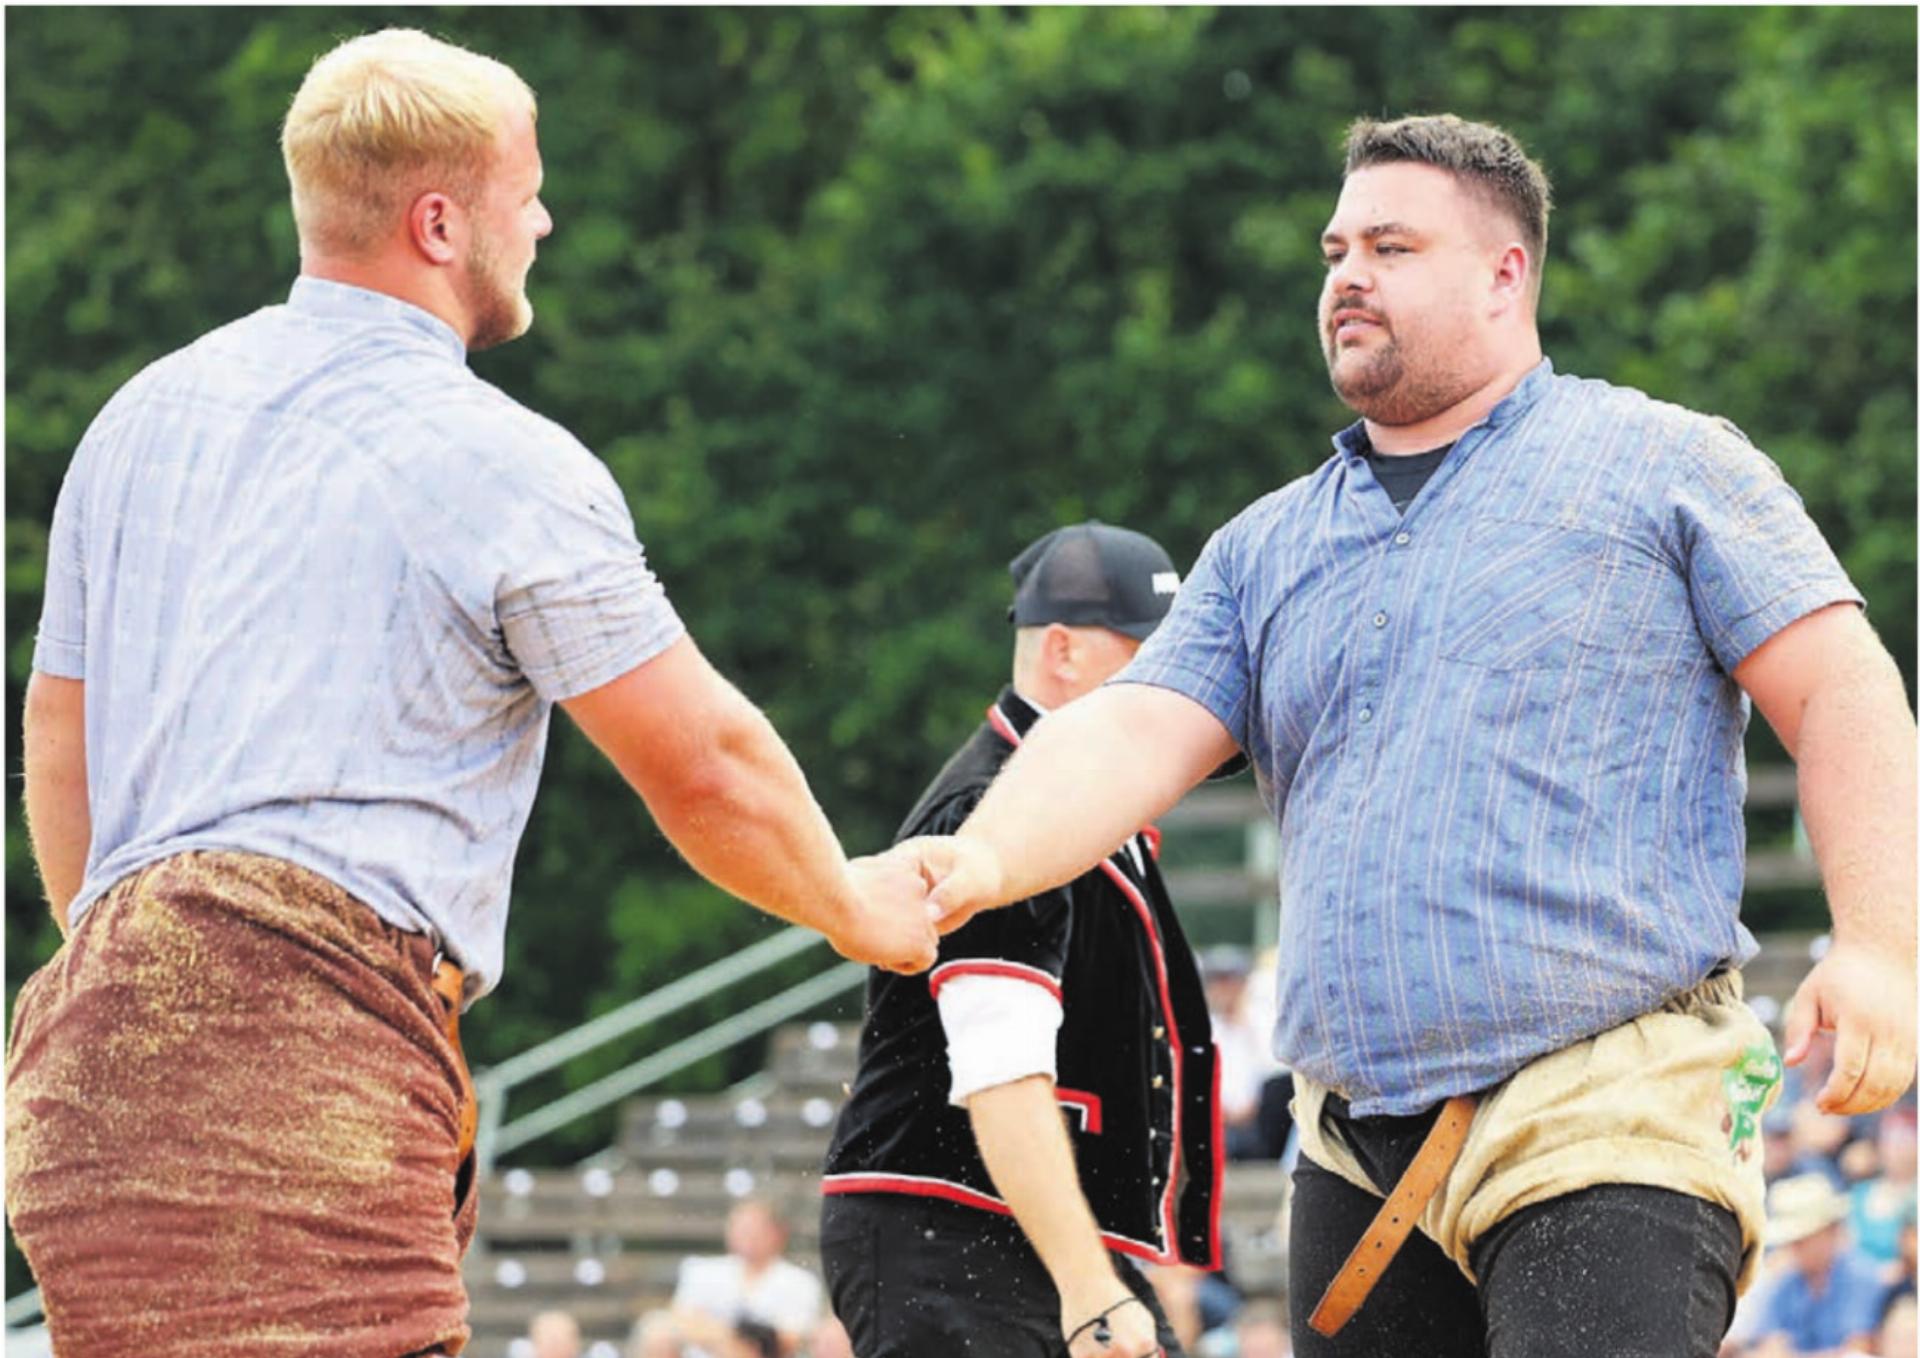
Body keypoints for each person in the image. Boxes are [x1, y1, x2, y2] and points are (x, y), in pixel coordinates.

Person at [888, 114, 1917, 1357]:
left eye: (1391, 246)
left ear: (1505, 274)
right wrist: (983, 856)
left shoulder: (1665, 463)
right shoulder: (1263, 548)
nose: (1348, 277)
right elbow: (1127, 732)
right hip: (1359, 1149)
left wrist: (1882, 944)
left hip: (1613, 1105)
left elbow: (1842, 688)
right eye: (1335, 252)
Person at [5, 28, 934, 1358]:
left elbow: (59, 734)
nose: (543, 222)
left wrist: (138, 975)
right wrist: (855, 908)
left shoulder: (141, 418)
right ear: (439, 223)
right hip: (296, 1045)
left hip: (83, 1066)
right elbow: (705, 764)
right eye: (527, 194)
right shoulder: (498, 458)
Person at [820, 522, 1221, 1358]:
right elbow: (1000, 1070)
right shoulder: (994, 812)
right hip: (954, 1233)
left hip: (1010, 1232)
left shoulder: (1076, 804)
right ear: (1063, 650)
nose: (1175, 678)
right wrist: (1090, 1289)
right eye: (1148, 650)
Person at [631, 1198, 826, 1358]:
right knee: (656, 1329)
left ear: (778, 1233)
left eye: (754, 1229)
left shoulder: (800, 1282)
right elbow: (681, 1318)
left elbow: (789, 1339)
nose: (748, 1236)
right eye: (741, 1228)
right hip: (709, 1351)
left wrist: (730, 1342)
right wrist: (725, 1340)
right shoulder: (704, 1270)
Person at [1739, 1175, 1892, 1357]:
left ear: (1829, 1231)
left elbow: (1857, 1350)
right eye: (1791, 1242)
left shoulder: (1861, 1276)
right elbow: (1769, 1345)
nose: (1793, 1248)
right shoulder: (1786, 1282)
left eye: (1802, 1240)